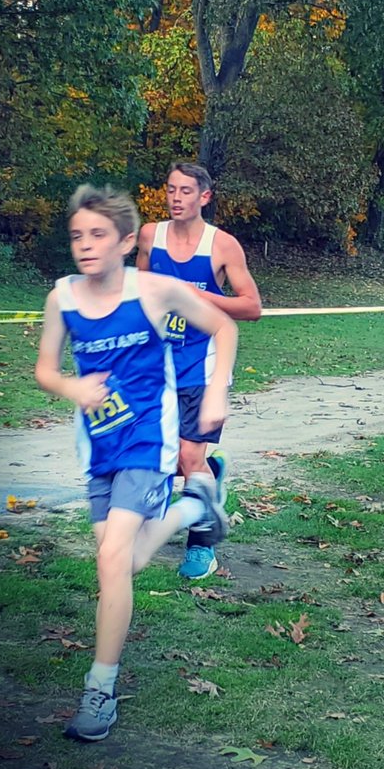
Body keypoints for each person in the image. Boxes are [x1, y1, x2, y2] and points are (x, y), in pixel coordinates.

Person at [35, 184, 237, 742]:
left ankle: (99, 689)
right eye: (77, 235)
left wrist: (217, 391)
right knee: (121, 565)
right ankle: (192, 506)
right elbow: (45, 371)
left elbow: (226, 324)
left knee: (109, 558)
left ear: (127, 241)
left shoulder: (154, 291)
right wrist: (74, 389)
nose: (85, 245)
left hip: (150, 439)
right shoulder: (64, 299)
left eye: (98, 234)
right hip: (99, 445)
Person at [136, 162, 261, 580]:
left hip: (202, 364)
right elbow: (139, 288)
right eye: (171, 189)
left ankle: (201, 547)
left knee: (189, 457)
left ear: (204, 197)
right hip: (156, 364)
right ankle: (209, 474)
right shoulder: (150, 236)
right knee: (156, 458)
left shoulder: (222, 246)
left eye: (186, 191)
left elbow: (251, 307)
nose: (176, 197)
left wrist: (198, 296)